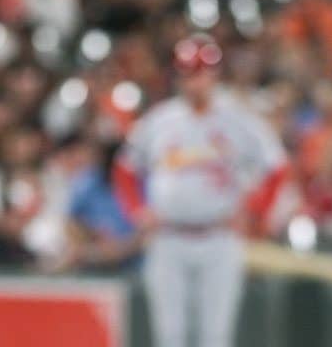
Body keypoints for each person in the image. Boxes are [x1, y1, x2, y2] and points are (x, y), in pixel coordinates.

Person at [112, 34, 289, 347]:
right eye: (189, 73)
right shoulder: (160, 120)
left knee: (215, 337)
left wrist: (256, 211)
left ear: (215, 74)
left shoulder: (238, 119)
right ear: (178, 76)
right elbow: (125, 169)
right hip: (168, 236)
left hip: (219, 236)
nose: (196, 81)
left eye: (202, 72)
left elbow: (277, 166)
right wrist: (136, 210)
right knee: (170, 336)